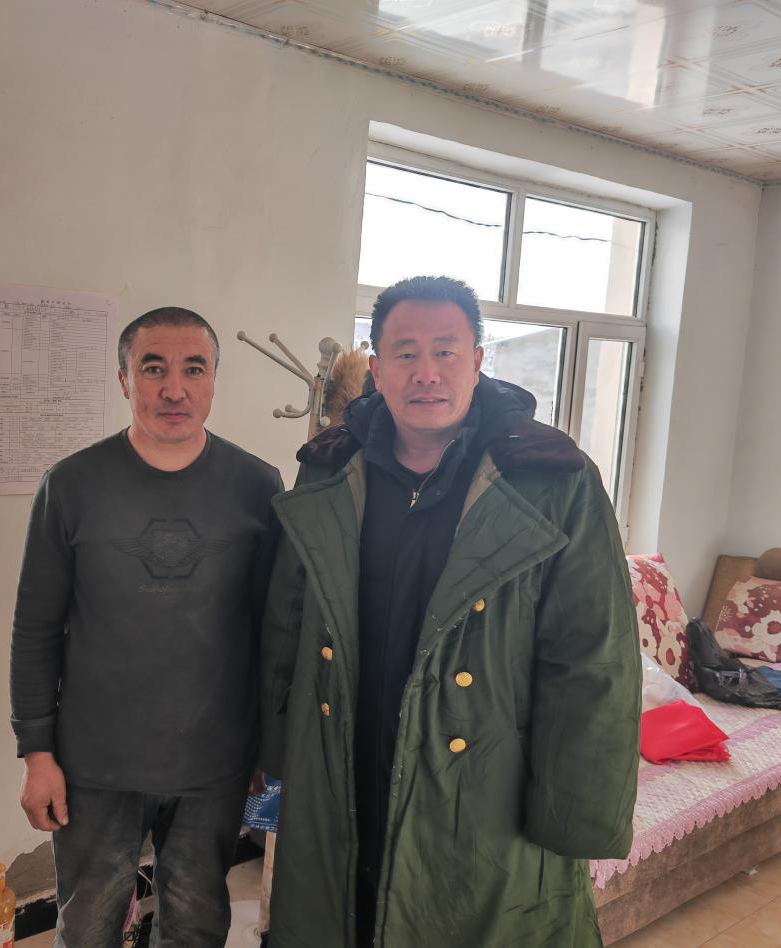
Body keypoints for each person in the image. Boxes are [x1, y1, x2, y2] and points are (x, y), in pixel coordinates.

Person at [260, 276, 641, 947]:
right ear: (376, 368)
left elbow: (593, 656)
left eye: (445, 351)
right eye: (405, 353)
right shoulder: (330, 471)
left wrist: (576, 811)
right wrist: (274, 751)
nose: (426, 373)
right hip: (344, 765)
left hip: (482, 783)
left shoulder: (552, 480)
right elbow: (287, 622)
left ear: (478, 361)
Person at [10, 307, 282, 948]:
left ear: (214, 382)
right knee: (87, 928)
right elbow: (36, 628)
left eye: (195, 369)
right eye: (153, 369)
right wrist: (36, 752)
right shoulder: (71, 486)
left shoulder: (256, 487)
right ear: (124, 380)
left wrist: (265, 752)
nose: (174, 389)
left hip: (214, 763)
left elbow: (271, 632)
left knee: (196, 925)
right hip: (95, 764)